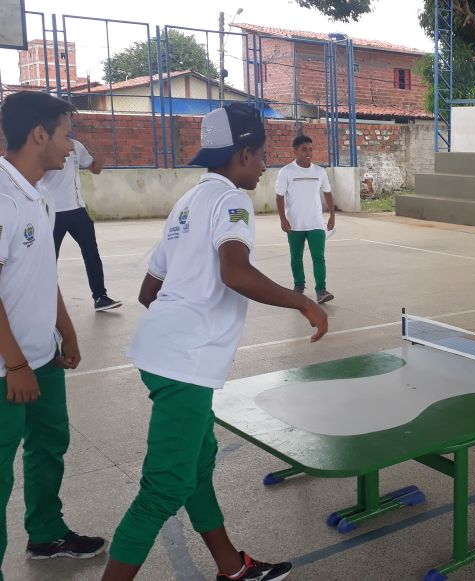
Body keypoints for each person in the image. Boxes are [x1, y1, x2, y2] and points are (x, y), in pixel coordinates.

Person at [101, 103, 328, 581]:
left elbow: (148, 290)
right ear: (243, 154)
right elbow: (234, 270)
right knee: (162, 491)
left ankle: (232, 567)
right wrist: (302, 302)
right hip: (184, 365)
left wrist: (178, 326)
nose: (266, 166)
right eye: (262, 155)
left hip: (164, 354)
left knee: (198, 465)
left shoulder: (187, 202)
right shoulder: (231, 200)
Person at [0, 92, 107, 580]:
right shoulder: (2, 197)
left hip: (42, 356)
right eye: (66, 134)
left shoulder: (39, 194)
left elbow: (43, 274)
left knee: (50, 445)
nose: (71, 146)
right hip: (7, 368)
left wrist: (65, 329)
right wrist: (16, 364)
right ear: (39, 134)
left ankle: (46, 534)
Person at [37, 131, 122, 311]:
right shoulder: (45, 145)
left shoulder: (76, 145)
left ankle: (100, 297)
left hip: (77, 210)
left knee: (91, 252)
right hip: (54, 211)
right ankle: (45, 301)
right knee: (49, 259)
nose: (69, 121)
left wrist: (100, 152)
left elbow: (95, 168)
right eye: (65, 116)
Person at [276, 135, 335, 304]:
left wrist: (332, 215)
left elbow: (327, 193)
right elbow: (279, 196)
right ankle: (299, 286)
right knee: (296, 256)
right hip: (294, 223)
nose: (308, 153)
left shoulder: (319, 171)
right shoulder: (286, 171)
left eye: (310, 149)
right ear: (295, 151)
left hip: (315, 222)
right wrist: (282, 219)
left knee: (318, 256)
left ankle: (321, 290)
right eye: (304, 150)